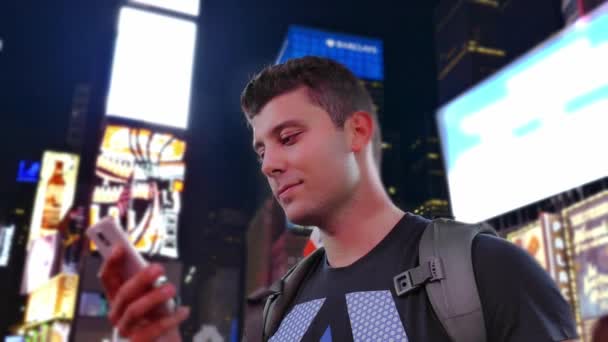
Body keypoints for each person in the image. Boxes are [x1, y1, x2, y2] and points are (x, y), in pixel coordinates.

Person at [99, 56, 578, 341]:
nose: (268, 164)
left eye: (288, 137)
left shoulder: (486, 270)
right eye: (261, 149)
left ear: (356, 132)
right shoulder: (280, 304)